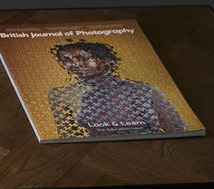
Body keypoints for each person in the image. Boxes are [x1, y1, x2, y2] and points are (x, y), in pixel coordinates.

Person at [46, 39, 186, 139]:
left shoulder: (143, 90)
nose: (75, 64)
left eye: (83, 58)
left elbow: (176, 126)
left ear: (107, 61)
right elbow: (68, 136)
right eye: (67, 60)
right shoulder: (62, 95)